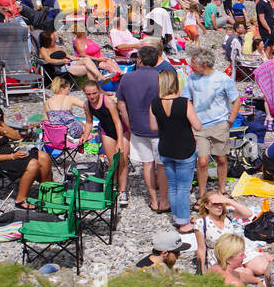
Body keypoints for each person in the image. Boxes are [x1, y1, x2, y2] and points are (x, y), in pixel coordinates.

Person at [0, 97, 53, 209]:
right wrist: (12, 156)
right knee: (33, 164)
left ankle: (48, 192)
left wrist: (1, 130)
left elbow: (17, 137)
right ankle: (20, 200)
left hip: (12, 155)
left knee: (44, 156)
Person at [182, 48, 242, 195]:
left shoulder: (223, 79)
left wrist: (230, 121)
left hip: (220, 124)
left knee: (221, 159)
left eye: (194, 63)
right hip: (200, 126)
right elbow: (186, 100)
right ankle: (202, 193)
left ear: (205, 64)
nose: (191, 65)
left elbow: (236, 101)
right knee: (202, 162)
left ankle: (222, 189)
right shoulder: (191, 78)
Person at [116, 46, 168, 213]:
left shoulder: (127, 78)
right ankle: (164, 201)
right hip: (160, 127)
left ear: (139, 60)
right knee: (161, 165)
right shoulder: (161, 78)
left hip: (137, 126)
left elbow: (121, 104)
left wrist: (129, 123)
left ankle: (153, 200)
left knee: (147, 164)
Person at [150, 69, 201, 234]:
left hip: (165, 147)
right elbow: (198, 125)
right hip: (184, 148)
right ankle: (184, 222)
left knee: (173, 185)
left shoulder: (154, 103)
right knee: (184, 187)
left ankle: (178, 217)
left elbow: (153, 127)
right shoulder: (184, 102)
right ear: (175, 83)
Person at [81, 79, 129, 206]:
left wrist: (119, 141)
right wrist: (85, 135)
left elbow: (117, 121)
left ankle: (123, 191)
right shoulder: (87, 105)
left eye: (94, 93)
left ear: (98, 91)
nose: (92, 97)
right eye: (88, 94)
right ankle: (114, 186)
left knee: (122, 160)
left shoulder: (107, 101)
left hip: (121, 130)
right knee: (112, 162)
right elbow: (89, 122)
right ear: (85, 94)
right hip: (106, 131)